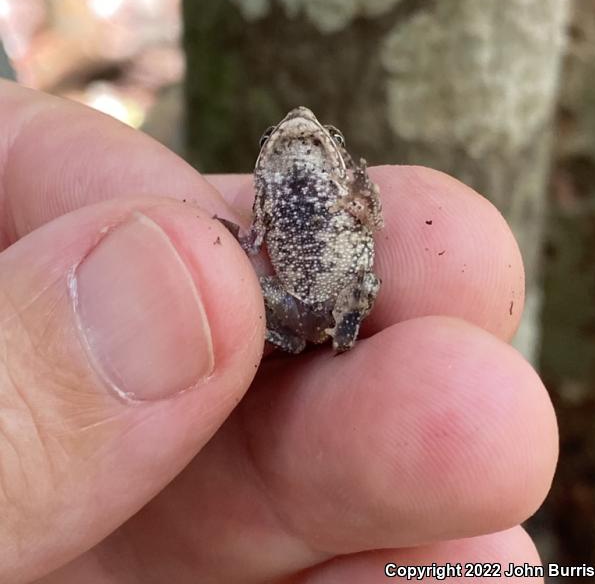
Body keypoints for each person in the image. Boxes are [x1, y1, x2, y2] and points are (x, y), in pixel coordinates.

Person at [0, 81, 557, 583]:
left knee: (370, 286)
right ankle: (243, 332)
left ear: (332, 151)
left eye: (322, 135)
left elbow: (367, 220)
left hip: (336, 290)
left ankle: (317, 335)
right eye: (278, 133)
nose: (299, 127)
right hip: (288, 301)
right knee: (231, 287)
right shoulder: (269, 184)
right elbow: (257, 232)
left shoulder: (344, 186)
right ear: (268, 149)